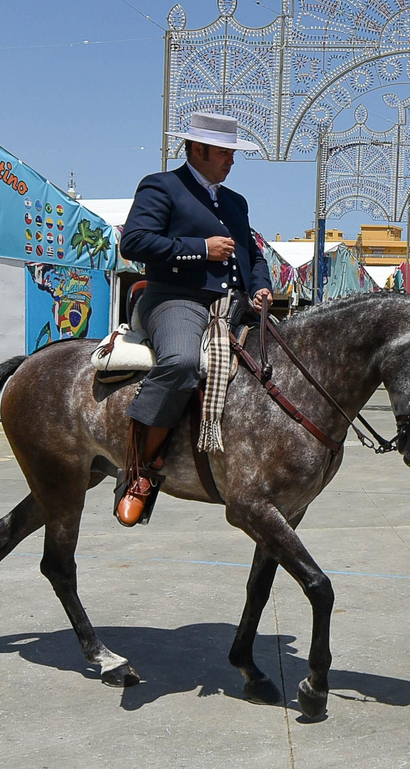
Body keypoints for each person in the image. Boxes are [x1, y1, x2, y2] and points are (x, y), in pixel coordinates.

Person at [115, 111, 273, 527]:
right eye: (225, 153)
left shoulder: (236, 202)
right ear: (197, 149)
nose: (231, 161)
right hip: (175, 300)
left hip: (234, 305)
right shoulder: (161, 186)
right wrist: (199, 249)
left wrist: (260, 285)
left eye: (233, 154)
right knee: (182, 362)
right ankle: (139, 473)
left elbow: (254, 254)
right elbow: (133, 242)